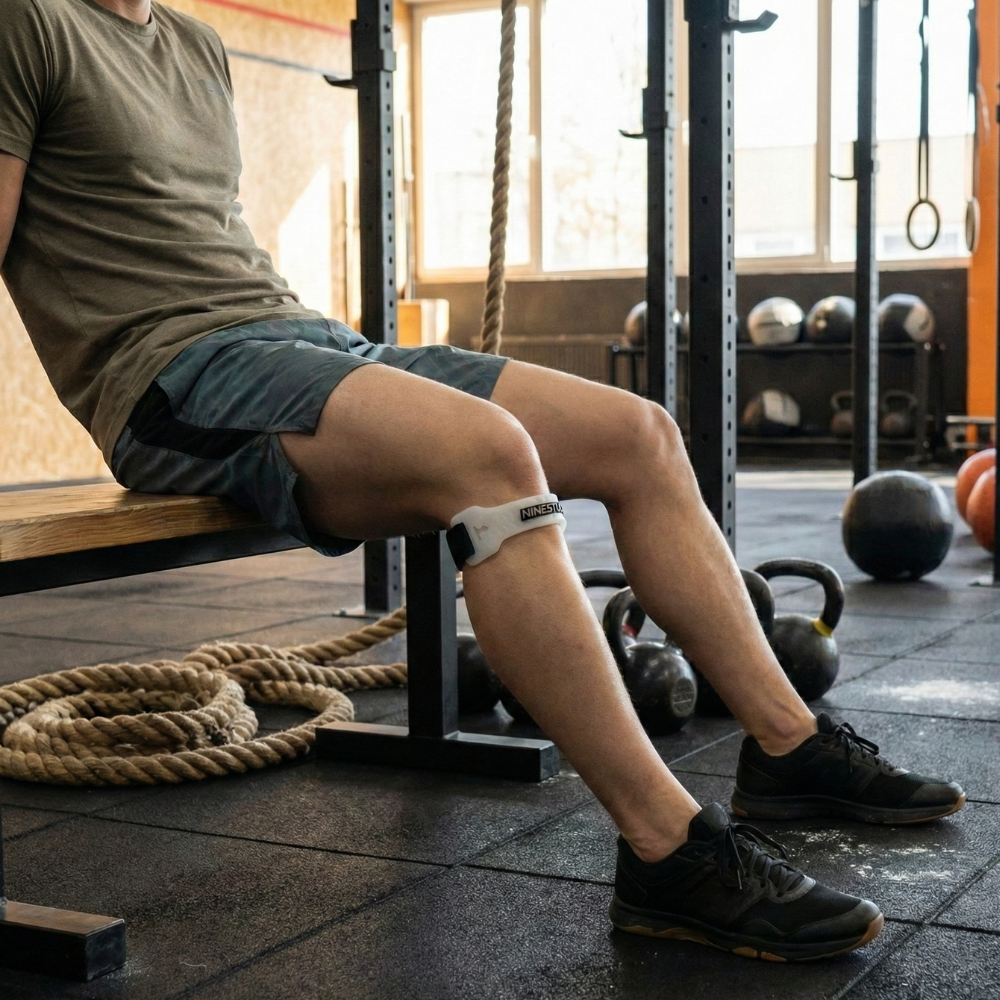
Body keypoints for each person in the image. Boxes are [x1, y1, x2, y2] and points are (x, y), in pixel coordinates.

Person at [0, 0, 964, 964]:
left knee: (639, 434)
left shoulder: (195, 42)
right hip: (175, 377)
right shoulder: (28, 23)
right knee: (491, 458)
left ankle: (790, 749)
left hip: (303, 336)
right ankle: (668, 851)